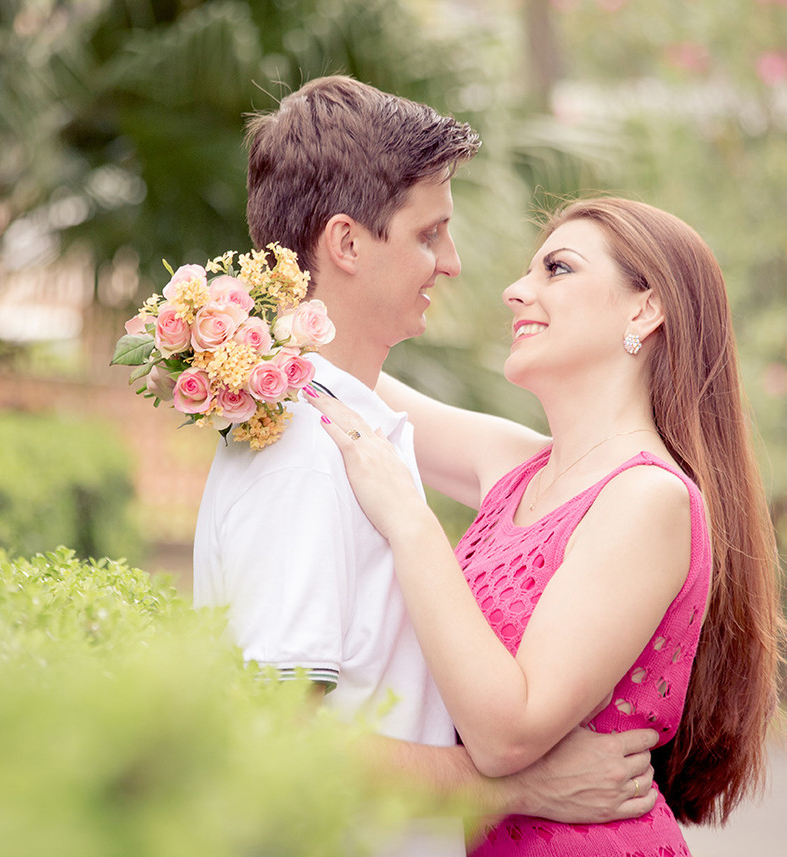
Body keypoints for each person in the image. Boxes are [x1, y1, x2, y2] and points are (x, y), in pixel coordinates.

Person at [193, 79, 660, 856]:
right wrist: (517, 788)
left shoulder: (350, 422)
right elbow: (274, 743)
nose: (453, 262)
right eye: (428, 234)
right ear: (346, 243)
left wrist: (258, 336)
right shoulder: (311, 457)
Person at [308, 195, 787, 854]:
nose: (516, 291)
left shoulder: (648, 499)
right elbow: (338, 379)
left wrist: (411, 521)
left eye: (557, 269)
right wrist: (218, 328)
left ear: (644, 308)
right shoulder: (514, 466)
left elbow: (506, 732)